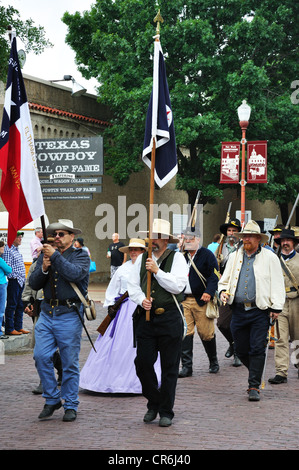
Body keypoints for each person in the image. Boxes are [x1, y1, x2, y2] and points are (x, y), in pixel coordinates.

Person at [127, 219, 188, 427]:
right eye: (152, 236)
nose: (153, 241)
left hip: (170, 317)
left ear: (165, 240)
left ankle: (165, 411)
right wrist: (140, 299)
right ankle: (154, 401)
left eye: (158, 237)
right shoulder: (141, 259)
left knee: (169, 367)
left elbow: (178, 287)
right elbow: (133, 286)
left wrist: (157, 272)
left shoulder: (177, 258)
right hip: (147, 318)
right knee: (142, 363)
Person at [80, 238, 161, 393]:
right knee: (117, 346)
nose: (133, 252)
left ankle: (138, 381)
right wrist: (111, 306)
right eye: (131, 250)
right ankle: (115, 381)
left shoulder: (149, 267)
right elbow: (112, 288)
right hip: (123, 311)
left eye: (136, 250)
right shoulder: (122, 269)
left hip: (142, 307)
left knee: (139, 345)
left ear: (143, 252)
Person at [29, 219, 90, 422]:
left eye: (61, 234)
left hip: (69, 313)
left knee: (69, 362)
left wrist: (54, 257)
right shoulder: (45, 256)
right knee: (40, 356)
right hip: (47, 312)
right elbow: (34, 283)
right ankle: (52, 398)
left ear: (72, 237)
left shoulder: (81, 256)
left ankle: (70, 404)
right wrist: (44, 267)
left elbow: (74, 274)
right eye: (54, 234)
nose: (56, 237)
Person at [218, 220, 285, 401]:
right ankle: (256, 372)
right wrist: (223, 292)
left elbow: (278, 284)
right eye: (244, 236)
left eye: (249, 236)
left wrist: (276, 307)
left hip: (260, 310)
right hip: (238, 310)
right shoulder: (234, 256)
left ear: (258, 239)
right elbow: (223, 281)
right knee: (240, 349)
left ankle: (253, 385)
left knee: (257, 348)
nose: (245, 239)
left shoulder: (270, 257)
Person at [178, 227, 220, 378]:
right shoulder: (180, 256)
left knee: (206, 333)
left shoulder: (207, 255)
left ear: (198, 240)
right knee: (186, 333)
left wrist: (209, 292)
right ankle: (187, 367)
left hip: (201, 300)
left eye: (191, 238)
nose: (188, 241)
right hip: (184, 300)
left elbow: (214, 276)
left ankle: (213, 361)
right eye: (185, 238)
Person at [22, 236, 62, 394]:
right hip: (40, 311)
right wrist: (27, 303)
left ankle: (62, 370)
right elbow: (29, 285)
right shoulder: (36, 263)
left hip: (61, 311)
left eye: (53, 244)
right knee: (41, 348)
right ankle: (45, 380)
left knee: (57, 347)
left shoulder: (63, 263)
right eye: (47, 244)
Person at [268, 228, 299, 384]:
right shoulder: (275, 260)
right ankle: (281, 372)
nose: (285, 243)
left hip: (297, 301)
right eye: (282, 241)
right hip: (280, 303)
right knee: (281, 338)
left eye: (288, 241)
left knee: (297, 338)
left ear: (293, 242)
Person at [216, 219, 242, 366]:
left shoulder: (243, 247)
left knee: (237, 324)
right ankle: (232, 343)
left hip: (239, 289)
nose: (231, 233)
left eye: (234, 230)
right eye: (229, 231)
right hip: (224, 289)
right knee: (222, 323)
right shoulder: (221, 248)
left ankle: (238, 352)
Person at [3, 231, 28, 336]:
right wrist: (15, 276)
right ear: (12, 238)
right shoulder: (8, 250)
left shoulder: (17, 250)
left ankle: (18, 326)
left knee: (20, 304)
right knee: (12, 304)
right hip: (14, 280)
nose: (20, 238)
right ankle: (9, 327)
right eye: (18, 237)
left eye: (21, 237)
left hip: (20, 280)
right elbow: (7, 266)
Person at [0, 241, 12, 339]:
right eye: (2, 247)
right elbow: (8, 270)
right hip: (1, 283)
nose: (3, 249)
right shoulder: (0, 260)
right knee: (1, 309)